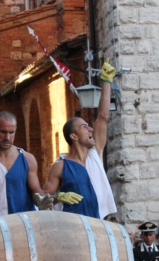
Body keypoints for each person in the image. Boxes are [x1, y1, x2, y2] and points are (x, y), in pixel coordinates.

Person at [43, 61, 118, 219]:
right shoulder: (60, 167)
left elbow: (103, 117)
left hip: (101, 223)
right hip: (74, 227)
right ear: (73, 136)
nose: (90, 129)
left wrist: (106, 82)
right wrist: (59, 197)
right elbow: (43, 201)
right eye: (84, 127)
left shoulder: (95, 153)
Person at [0, 111, 51, 224]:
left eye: (11, 132)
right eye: (3, 132)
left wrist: (42, 200)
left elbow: (36, 191)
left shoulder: (28, 160)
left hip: (24, 226)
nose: (7, 137)